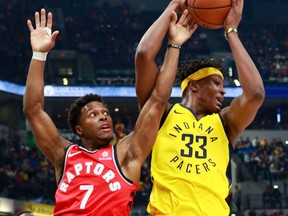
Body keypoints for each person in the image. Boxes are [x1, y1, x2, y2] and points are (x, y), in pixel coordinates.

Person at [23, 8, 197, 216]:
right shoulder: (65, 155)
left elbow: (158, 101)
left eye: (105, 112)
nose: (104, 116)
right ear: (79, 129)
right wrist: (39, 54)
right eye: (93, 115)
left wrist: (174, 45)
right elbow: (33, 110)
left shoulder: (126, 154)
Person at [135, 0, 265, 215]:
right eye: (216, 83)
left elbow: (256, 94)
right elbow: (143, 55)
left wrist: (231, 31)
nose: (223, 92)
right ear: (194, 85)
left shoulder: (225, 123)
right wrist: (173, 7)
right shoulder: (162, 113)